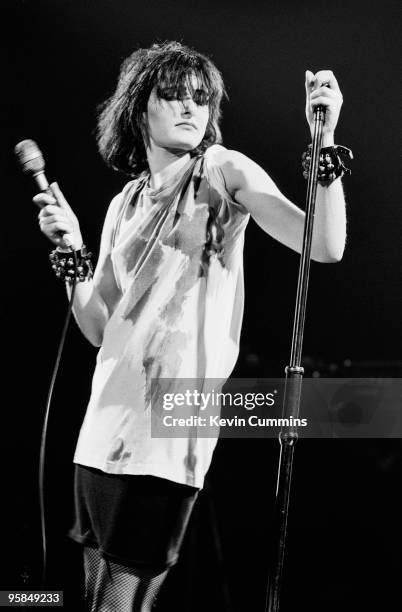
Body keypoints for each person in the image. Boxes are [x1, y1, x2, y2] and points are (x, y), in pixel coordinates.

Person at [35, 41, 347, 611]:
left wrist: (323, 144)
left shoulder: (223, 169)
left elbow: (323, 245)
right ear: (138, 108)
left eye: (200, 99)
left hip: (167, 430)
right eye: (172, 95)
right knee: (84, 597)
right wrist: (74, 252)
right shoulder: (123, 204)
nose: (189, 108)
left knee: (119, 604)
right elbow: (99, 327)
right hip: (103, 426)